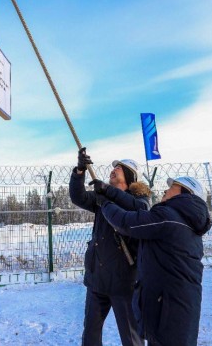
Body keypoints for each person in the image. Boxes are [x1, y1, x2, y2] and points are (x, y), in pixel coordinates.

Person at [99, 176, 212, 346]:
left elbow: (126, 223)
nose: (166, 190)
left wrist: (105, 202)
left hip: (168, 309)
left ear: (186, 193)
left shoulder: (169, 217)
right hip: (177, 304)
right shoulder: (186, 221)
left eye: (172, 186)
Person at [69, 148, 150, 346]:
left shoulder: (139, 201)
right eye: (114, 168)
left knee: (131, 337)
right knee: (91, 334)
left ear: (130, 177)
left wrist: (107, 191)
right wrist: (79, 172)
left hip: (124, 282)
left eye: (120, 168)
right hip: (97, 279)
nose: (113, 170)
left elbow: (139, 209)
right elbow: (78, 197)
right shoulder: (101, 198)